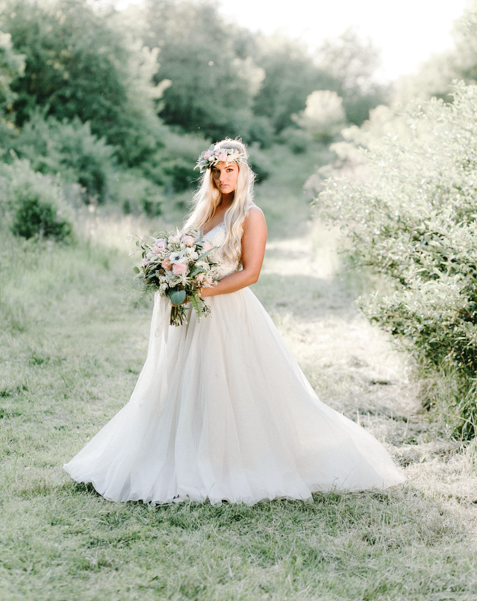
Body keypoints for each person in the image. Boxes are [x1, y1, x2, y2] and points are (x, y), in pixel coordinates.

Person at [64, 138, 405, 504]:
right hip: (193, 312)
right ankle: (182, 453)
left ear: (243, 171)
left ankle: (227, 460)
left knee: (223, 383)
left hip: (225, 310)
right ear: (209, 173)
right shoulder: (203, 212)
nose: (223, 177)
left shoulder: (250, 215)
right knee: (183, 383)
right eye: (217, 170)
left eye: (230, 169)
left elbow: (251, 272)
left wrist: (202, 293)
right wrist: (170, 274)